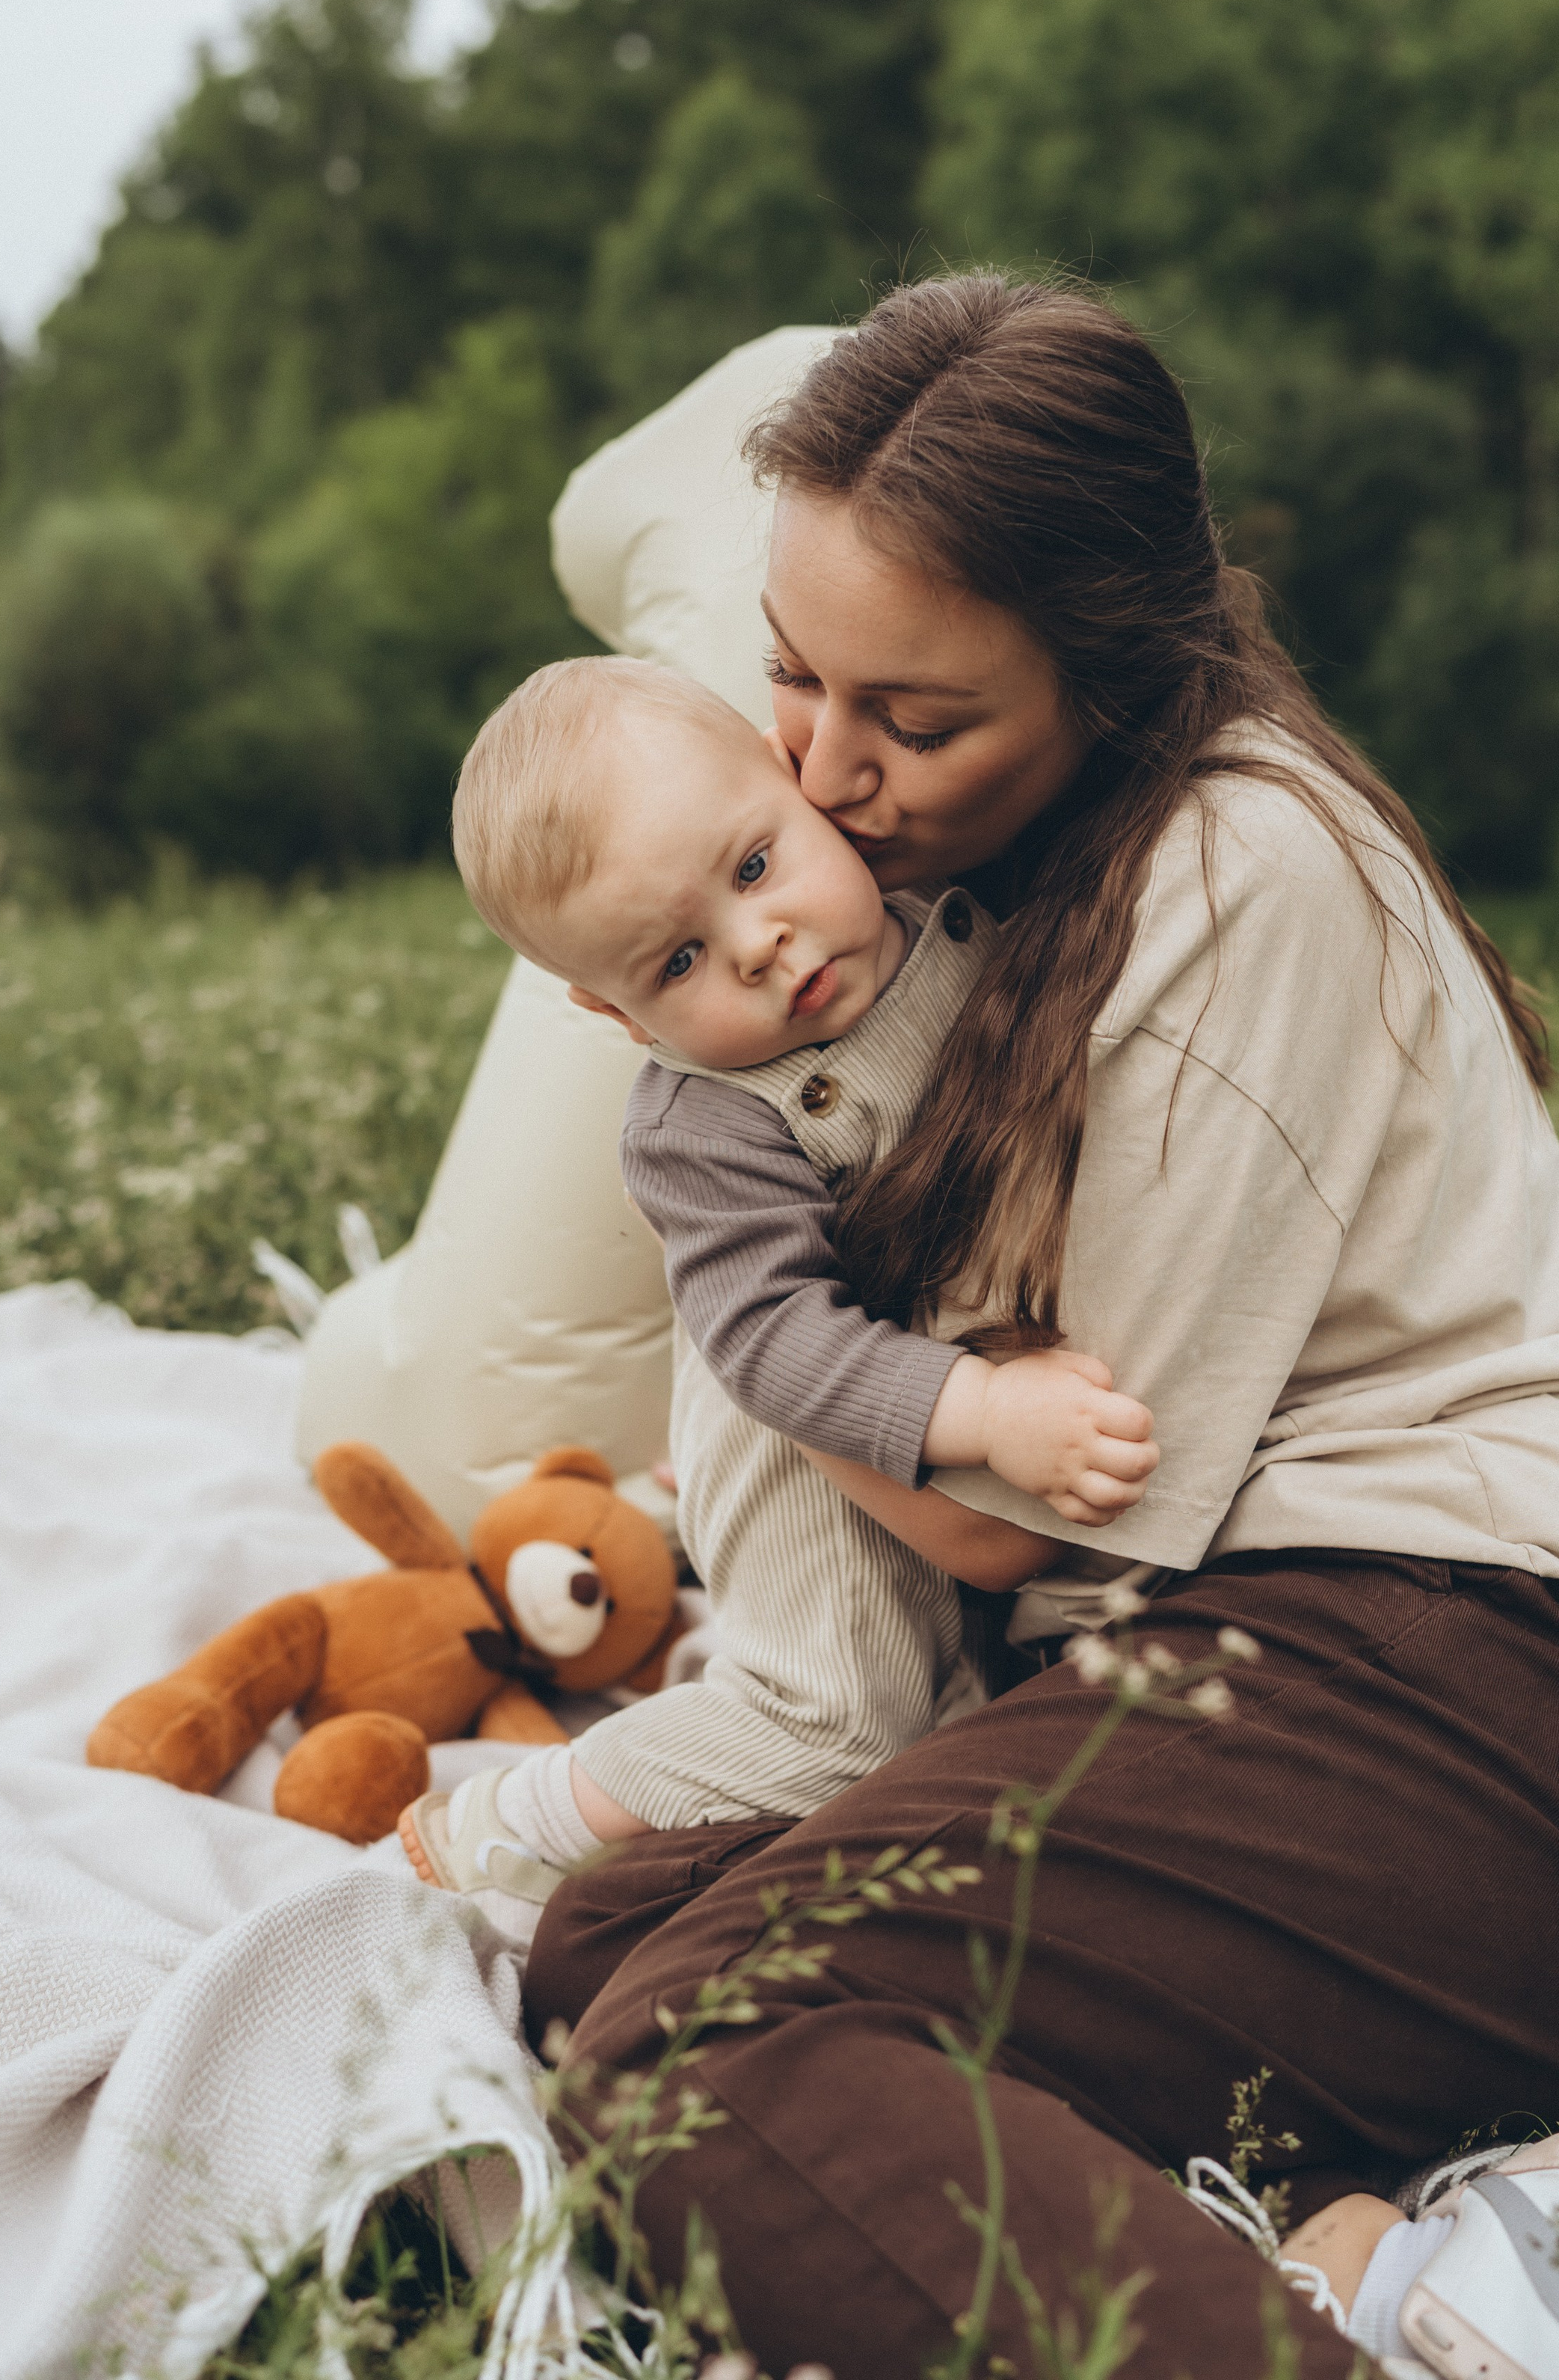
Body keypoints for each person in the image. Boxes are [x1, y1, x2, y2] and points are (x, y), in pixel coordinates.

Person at [522, 275, 1559, 2378]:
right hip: (1296, 1656)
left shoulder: (1242, 875)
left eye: (918, 717)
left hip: (1517, 1681)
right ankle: (1387, 2243)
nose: (826, 766)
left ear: (1114, 664)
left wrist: (754, 1297)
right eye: (796, 680)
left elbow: (1010, 1527)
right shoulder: (951, 913)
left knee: (702, 2058)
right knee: (604, 1940)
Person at [399, 652, 1156, 1928]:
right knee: (843, 1725)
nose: (759, 946)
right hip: (804, 1462)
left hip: (915, 1424)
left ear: (786, 772)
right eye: (678, 962)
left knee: (958, 1707)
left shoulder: (946, 917)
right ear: (614, 1011)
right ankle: (525, 1818)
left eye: (754, 869)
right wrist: (988, 1415)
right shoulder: (700, 1129)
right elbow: (775, 1342)